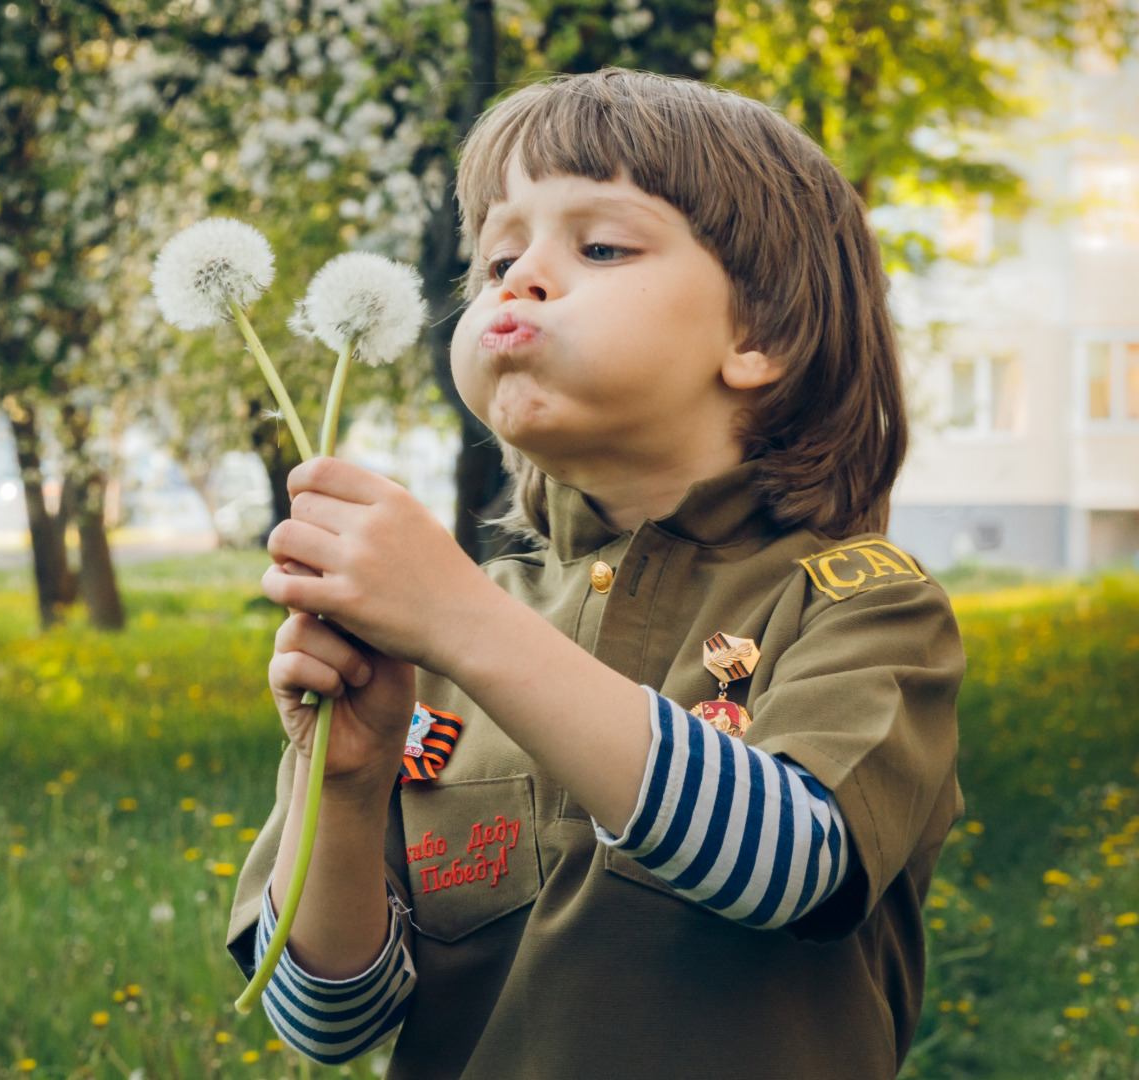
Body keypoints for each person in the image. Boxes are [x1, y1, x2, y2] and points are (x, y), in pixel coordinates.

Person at [226, 69, 965, 1080]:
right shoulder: (429, 643)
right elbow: (327, 1024)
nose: (519, 277)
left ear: (762, 336)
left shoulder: (860, 601)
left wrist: (463, 626)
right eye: (494, 258)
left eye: (601, 245)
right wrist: (343, 788)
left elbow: (796, 867)